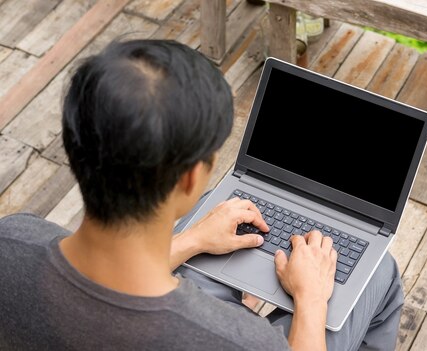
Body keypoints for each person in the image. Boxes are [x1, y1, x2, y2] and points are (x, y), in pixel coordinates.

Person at [0, 39, 403, 350]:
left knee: (205, 265)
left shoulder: (10, 241)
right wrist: (311, 298)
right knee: (378, 274)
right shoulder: (238, 341)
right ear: (190, 178)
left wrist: (191, 241)